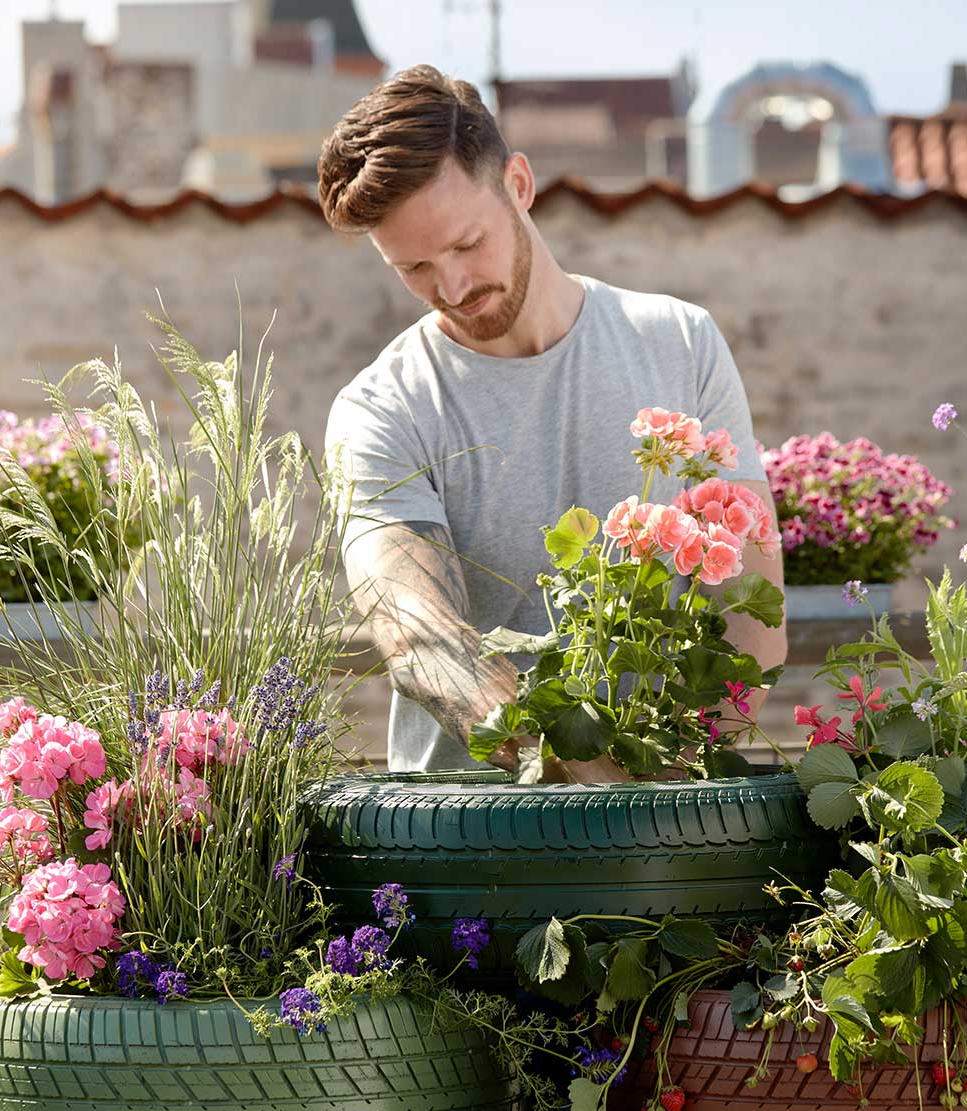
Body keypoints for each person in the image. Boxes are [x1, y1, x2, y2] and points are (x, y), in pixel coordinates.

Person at [318, 65, 786, 777]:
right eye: (412, 267)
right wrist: (583, 781)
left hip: (670, 828)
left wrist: (682, 782)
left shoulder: (681, 343)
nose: (451, 287)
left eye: (467, 244)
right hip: (466, 844)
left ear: (519, 185)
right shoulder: (381, 407)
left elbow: (753, 612)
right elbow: (416, 633)